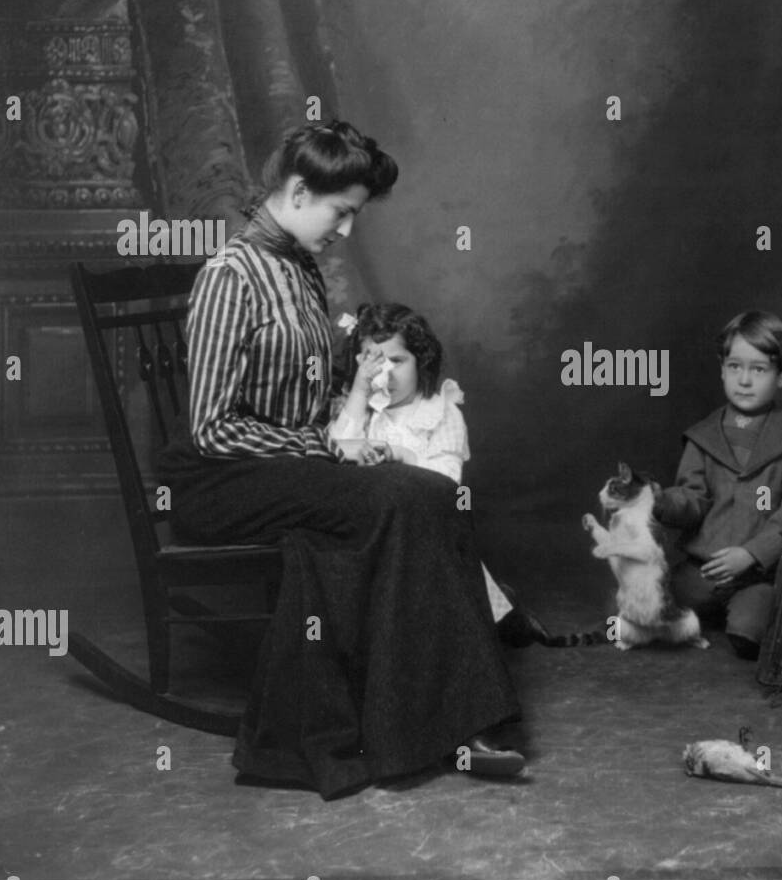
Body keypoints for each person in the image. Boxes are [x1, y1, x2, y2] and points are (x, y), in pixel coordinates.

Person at [160, 120, 525, 798]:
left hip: (288, 471)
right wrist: (326, 444)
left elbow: (312, 390)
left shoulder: (298, 268)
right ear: (299, 191)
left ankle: (437, 720)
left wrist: (355, 422)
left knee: (427, 492)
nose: (348, 229)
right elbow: (210, 428)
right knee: (395, 497)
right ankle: (435, 726)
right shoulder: (228, 277)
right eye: (343, 211)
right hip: (222, 479)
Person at [328, 302, 551, 646]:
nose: (384, 373)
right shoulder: (362, 411)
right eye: (371, 362)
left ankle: (504, 617)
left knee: (452, 576)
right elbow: (338, 450)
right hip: (373, 527)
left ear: (421, 360)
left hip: (427, 522)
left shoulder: (439, 413)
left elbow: (447, 484)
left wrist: (401, 455)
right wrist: (358, 392)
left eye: (397, 361)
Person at [653, 311, 782, 660]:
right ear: (722, 369)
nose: (744, 380)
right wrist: (659, 502)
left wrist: (752, 553)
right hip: (703, 570)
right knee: (654, 610)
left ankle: (748, 613)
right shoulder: (703, 437)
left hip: (757, 576)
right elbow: (692, 499)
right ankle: (700, 610)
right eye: (734, 367)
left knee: (748, 637)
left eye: (758, 369)